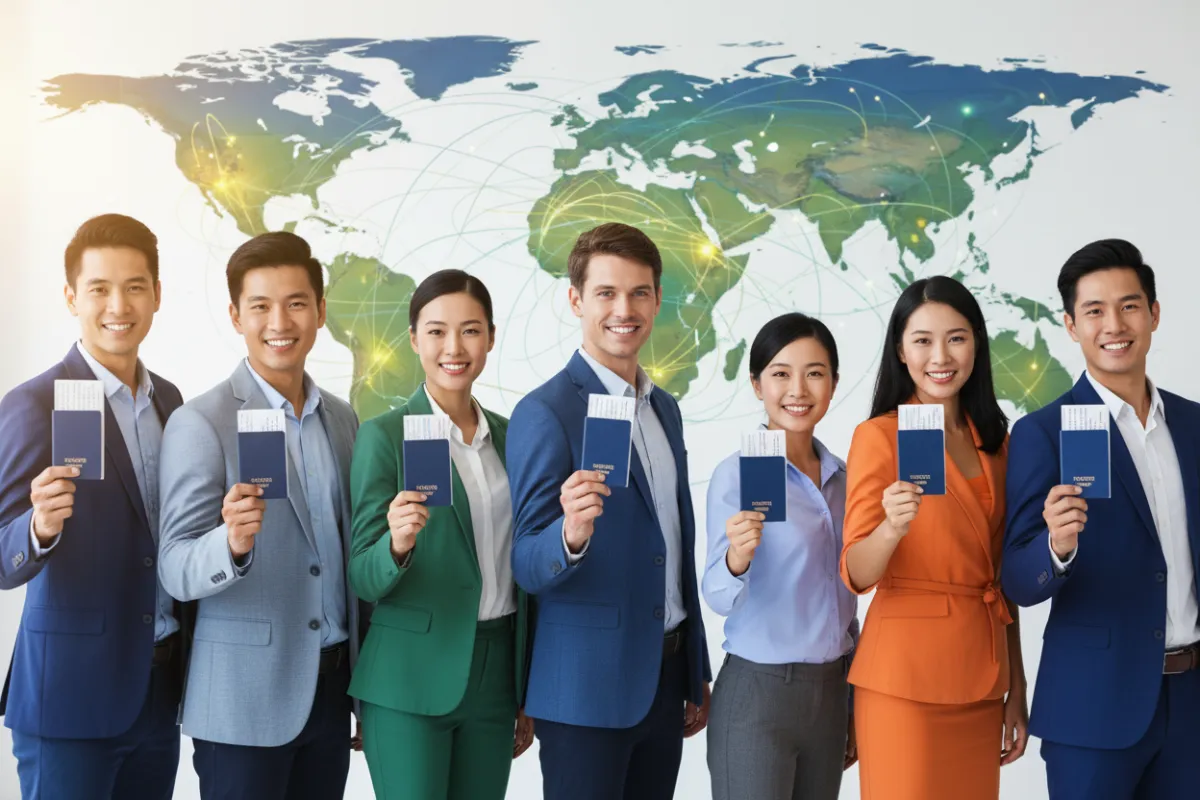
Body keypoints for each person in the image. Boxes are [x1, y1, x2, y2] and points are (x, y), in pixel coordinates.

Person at [506, 222, 711, 800]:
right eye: (606, 293)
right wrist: (569, 534)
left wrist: (694, 667)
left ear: (658, 299)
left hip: (665, 681)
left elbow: (672, 543)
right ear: (576, 300)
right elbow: (525, 560)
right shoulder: (545, 412)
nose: (625, 310)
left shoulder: (664, 409)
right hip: (584, 693)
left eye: (639, 293)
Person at [156, 231, 362, 800]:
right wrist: (230, 544)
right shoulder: (202, 421)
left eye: (296, 303)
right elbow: (174, 565)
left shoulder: (342, 419)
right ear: (235, 316)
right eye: (261, 306)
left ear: (320, 312)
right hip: (242, 704)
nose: (280, 322)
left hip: (332, 692)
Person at [1002, 240, 1200, 799]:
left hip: (1191, 706)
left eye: (1129, 305)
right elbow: (1016, 579)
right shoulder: (1042, 433)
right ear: (1071, 326)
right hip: (1093, 711)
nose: (1114, 325)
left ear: (1154, 314)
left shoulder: (1193, 425)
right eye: (1094, 311)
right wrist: (1056, 547)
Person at [0, 214, 186, 800]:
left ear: (157, 294)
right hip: (69, 699)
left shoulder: (171, 402)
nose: (118, 306)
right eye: (99, 289)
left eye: (134, 287)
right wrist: (38, 527)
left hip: (158, 692)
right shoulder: (34, 403)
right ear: (70, 297)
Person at [347, 269, 533, 799]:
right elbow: (362, 574)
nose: (454, 347)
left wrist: (524, 685)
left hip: (496, 672)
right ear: (413, 339)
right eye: (436, 331)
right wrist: (396, 545)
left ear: (490, 338)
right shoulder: (383, 436)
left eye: (470, 330)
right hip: (408, 677)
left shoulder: (513, 436)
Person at [840, 276, 1029, 799]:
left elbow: (1004, 579)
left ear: (977, 345)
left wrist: (1017, 685)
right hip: (905, 682)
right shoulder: (878, 436)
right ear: (901, 351)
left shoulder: (996, 442)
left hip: (983, 675)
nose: (940, 356)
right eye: (922, 340)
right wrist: (891, 528)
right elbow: (856, 571)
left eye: (956, 338)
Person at [703, 312, 858, 800]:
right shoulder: (735, 475)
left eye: (814, 373)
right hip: (759, 694)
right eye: (780, 374)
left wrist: (852, 695)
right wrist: (738, 556)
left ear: (833, 383)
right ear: (756, 384)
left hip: (832, 691)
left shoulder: (845, 479)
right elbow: (718, 596)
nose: (798, 390)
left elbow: (843, 590)